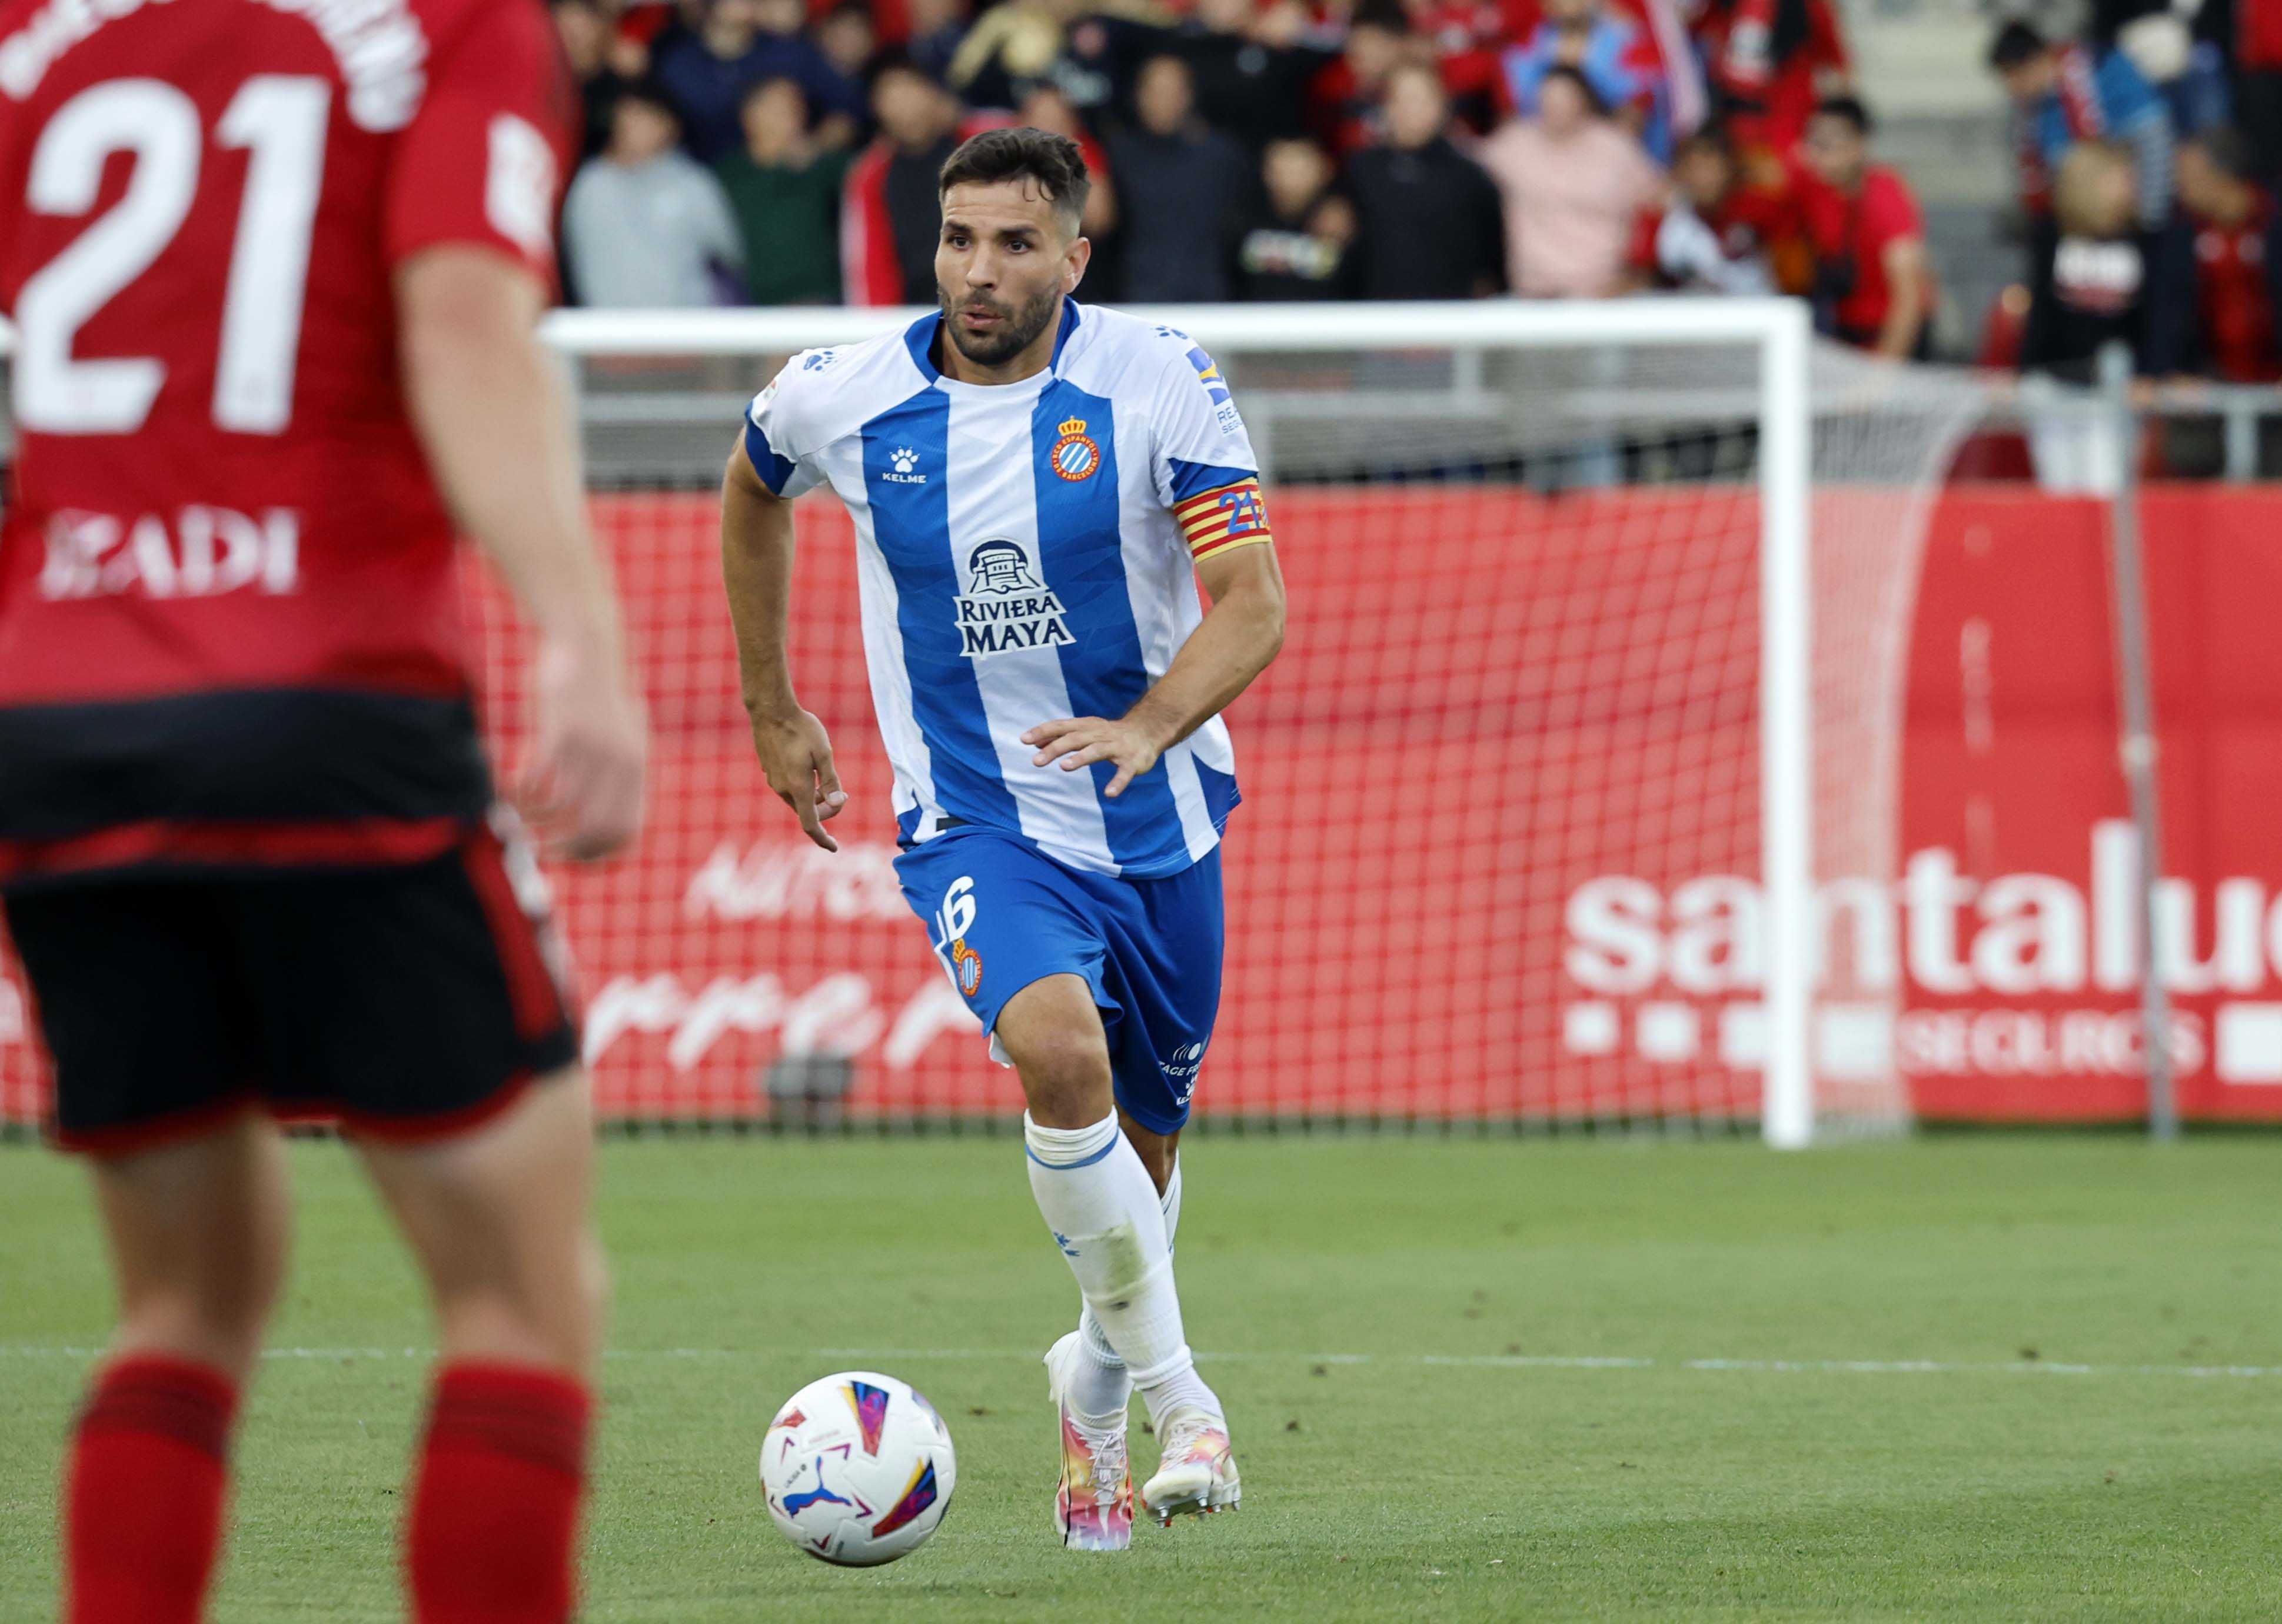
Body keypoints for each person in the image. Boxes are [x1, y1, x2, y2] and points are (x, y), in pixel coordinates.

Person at [0, 0, 650, 1615]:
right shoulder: (449, 25)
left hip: (60, 723)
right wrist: (580, 632)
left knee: (182, 1303)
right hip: (331, 709)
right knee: (520, 1300)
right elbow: (462, 327)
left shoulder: (38, 36)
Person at [721, 126, 1284, 1549]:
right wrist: (773, 705)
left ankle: (1092, 1384)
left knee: (1145, 1159)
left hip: (1157, 822)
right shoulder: (844, 394)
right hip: (975, 819)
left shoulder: (1158, 377)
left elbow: (1252, 601)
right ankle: (1185, 1402)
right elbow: (752, 483)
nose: (979, 270)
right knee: (1057, 1052)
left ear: (1074, 258)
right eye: (959, 239)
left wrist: (1148, 725)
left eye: (1016, 243)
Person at [2018, 139, 2195, 491]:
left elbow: (2157, 314)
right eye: (2123, 178)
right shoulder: (2051, 235)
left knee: (2107, 484)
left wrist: (2151, 373)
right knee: (2058, 488)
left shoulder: (2146, 241)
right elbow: (2040, 312)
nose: (2132, 187)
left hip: (2115, 387)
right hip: (2053, 382)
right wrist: (2023, 371)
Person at [1479, 64, 1665, 298]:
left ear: (1584, 101)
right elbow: (1467, 177)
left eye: (1564, 99)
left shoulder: (1615, 148)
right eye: (1548, 99)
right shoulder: (1514, 143)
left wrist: (1636, 274)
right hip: (1531, 292)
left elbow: (1658, 201)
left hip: (1603, 292)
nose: (1555, 107)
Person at [563, 85, 746, 307]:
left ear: (669, 127)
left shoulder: (692, 182)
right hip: (607, 325)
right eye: (625, 116)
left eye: (642, 117)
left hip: (685, 324)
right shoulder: (590, 184)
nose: (630, 126)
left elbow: (734, 253)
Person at [1989, 19, 2175, 235]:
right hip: (2074, 225)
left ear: (2037, 59)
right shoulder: (2031, 112)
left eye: (2014, 75)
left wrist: (2150, 218)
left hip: (2135, 217)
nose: (2012, 88)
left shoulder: (2104, 68)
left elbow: (2153, 137)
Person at [1347, 61, 1508, 297]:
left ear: (1442, 106)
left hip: (1449, 311)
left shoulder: (1469, 176)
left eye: (1422, 100)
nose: (1412, 110)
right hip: (1375, 311)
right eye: (1403, 99)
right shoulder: (1360, 170)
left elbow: (1492, 257)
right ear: (1386, 106)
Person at [1795, 95, 1935, 358]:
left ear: (1859, 145)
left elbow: (1908, 296)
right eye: (1812, 142)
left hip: (1890, 335)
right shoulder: (1814, 189)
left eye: (1827, 145)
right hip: (1844, 332)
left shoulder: (1886, 195)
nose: (1816, 154)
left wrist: (1883, 371)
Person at [1105, 54, 1251, 301]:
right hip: (1137, 297)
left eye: (1170, 92)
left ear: (1188, 96)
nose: (1161, 101)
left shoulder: (1222, 158)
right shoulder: (1117, 156)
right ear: (1137, 96)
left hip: (1210, 298)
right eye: (1153, 91)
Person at [652, 0, 861, 164]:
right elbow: (657, 131)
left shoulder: (787, 52)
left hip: (785, 178)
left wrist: (816, 147)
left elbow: (849, 106)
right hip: (708, 183)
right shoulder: (678, 64)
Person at [843, 56, 980, 305]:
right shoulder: (871, 175)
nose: (904, 105)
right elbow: (869, 263)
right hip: (914, 313)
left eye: (910, 89)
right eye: (891, 95)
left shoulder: (980, 147)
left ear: (934, 93)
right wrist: (882, 323)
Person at [717, 77, 854, 304]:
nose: (793, 116)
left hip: (820, 300)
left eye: (797, 107)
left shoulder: (824, 165)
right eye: (780, 108)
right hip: (753, 306)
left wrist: (825, 145)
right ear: (749, 115)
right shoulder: (727, 175)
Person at [1501, 0, 1672, 160]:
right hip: (1542, 152)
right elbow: (1516, 116)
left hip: (1610, 155)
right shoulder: (1527, 50)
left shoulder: (1626, 41)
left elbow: (1632, 118)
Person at [2175, 127, 2282, 382]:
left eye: (2187, 178)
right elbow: (2170, 312)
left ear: (2222, 176)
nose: (2179, 189)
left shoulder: (2273, 222)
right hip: (2208, 386)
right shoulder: (2181, 234)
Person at [1624, 125, 1778, 294]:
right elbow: (1638, 282)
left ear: (1729, 167)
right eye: (1693, 167)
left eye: (1710, 166)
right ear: (1679, 172)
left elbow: (1789, 272)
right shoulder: (1663, 220)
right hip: (1691, 307)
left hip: (1757, 305)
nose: (1703, 178)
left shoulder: (1759, 210)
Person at [1233, 137, 1360, 299]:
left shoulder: (1344, 222)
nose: (1288, 180)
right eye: (1280, 169)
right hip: (1254, 313)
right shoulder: (1242, 219)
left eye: (1299, 170)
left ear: (1325, 171)